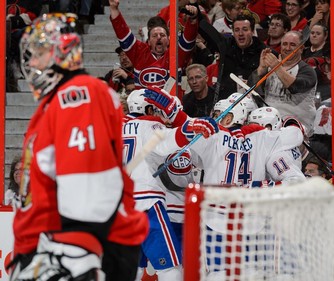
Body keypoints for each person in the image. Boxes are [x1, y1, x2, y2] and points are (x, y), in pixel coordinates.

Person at [9, 13, 149, 281]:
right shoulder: (57, 103)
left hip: (74, 250)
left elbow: (87, 182)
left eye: (37, 53)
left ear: (61, 52)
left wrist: (74, 254)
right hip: (51, 246)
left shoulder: (80, 94)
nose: (30, 63)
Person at [123, 89, 218, 281]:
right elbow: (166, 142)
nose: (160, 116)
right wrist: (187, 129)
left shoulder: (111, 127)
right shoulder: (149, 126)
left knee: (131, 267)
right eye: (157, 110)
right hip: (146, 203)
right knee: (171, 269)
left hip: (119, 206)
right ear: (148, 108)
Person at [108, 0, 198, 96]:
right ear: (149, 41)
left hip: (170, 108)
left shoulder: (177, 54)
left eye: (162, 35)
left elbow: (189, 39)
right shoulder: (139, 53)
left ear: (168, 40)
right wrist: (114, 9)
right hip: (143, 107)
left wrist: (192, 20)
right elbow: (123, 34)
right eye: (154, 35)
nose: (159, 37)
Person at [250, 31, 317, 136]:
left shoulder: (307, 71)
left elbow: (294, 87)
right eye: (284, 44)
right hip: (269, 126)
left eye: (292, 45)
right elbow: (252, 90)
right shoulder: (271, 68)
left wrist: (277, 67)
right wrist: (262, 68)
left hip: (296, 129)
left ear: (301, 48)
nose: (287, 48)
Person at [201, 14, 269, 101]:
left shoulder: (264, 52)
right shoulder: (225, 46)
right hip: (226, 101)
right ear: (233, 32)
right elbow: (208, 32)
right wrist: (196, 15)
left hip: (254, 102)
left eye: (245, 29)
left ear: (252, 31)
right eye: (237, 30)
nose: (240, 33)